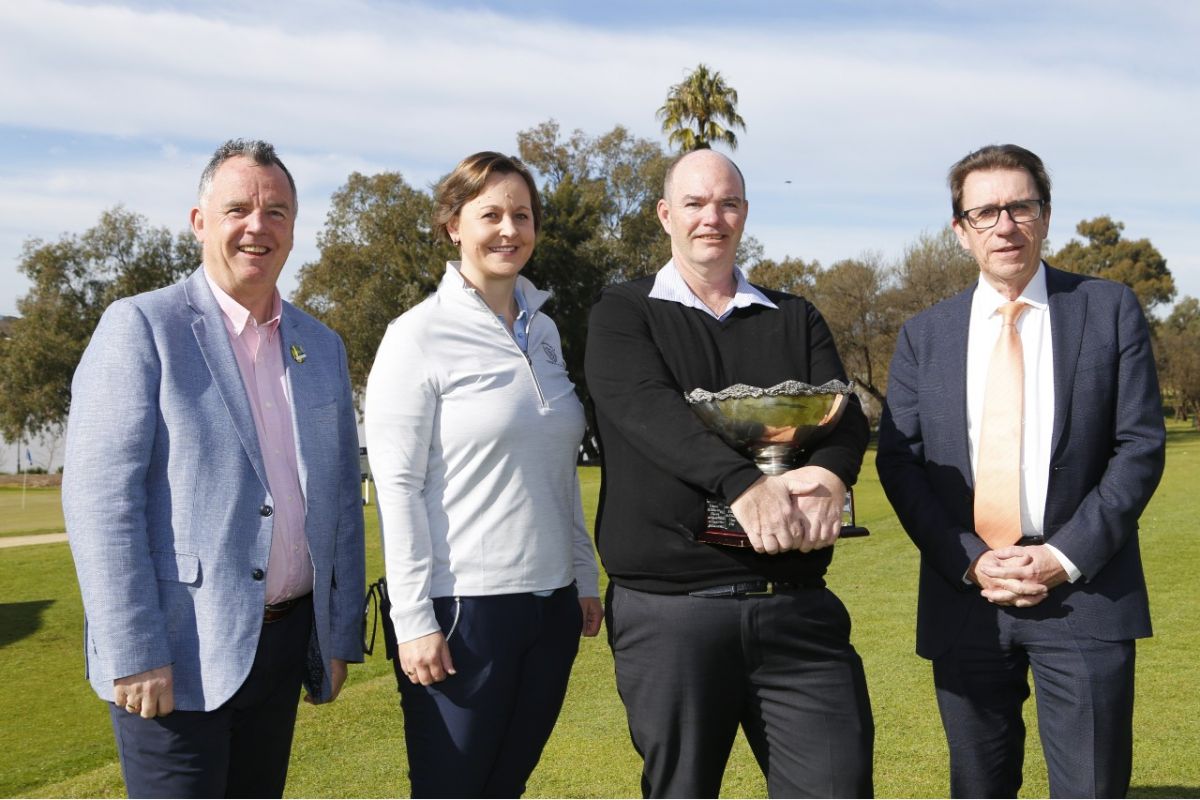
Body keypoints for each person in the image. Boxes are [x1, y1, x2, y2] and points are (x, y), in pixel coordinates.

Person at [62, 139, 366, 798]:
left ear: (293, 229)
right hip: (177, 656)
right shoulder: (141, 328)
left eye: (277, 211)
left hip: (283, 651)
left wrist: (339, 635)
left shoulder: (322, 346)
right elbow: (101, 505)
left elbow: (341, 496)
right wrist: (135, 651)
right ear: (200, 222)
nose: (258, 226)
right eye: (238, 210)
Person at [876, 144, 1166, 798]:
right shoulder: (926, 334)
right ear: (960, 231)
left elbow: (1140, 445)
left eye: (1020, 206)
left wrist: (1065, 556)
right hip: (967, 598)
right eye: (985, 212)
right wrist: (972, 560)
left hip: (1086, 594)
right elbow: (901, 461)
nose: (1004, 225)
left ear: (1045, 215)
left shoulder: (1108, 308)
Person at [584, 149, 873, 798]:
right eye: (694, 203)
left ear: (744, 214)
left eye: (728, 203)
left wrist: (830, 476)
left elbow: (844, 417)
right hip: (673, 617)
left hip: (797, 609)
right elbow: (645, 412)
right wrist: (743, 485)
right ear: (666, 215)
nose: (712, 217)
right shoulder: (623, 313)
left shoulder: (793, 315)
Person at [364, 151, 602, 798]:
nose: (508, 230)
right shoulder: (416, 336)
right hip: (462, 612)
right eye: (490, 214)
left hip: (552, 609)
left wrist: (582, 574)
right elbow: (399, 486)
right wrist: (413, 619)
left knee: (505, 788)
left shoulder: (546, 331)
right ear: (453, 226)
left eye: (521, 216)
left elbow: (557, 470)